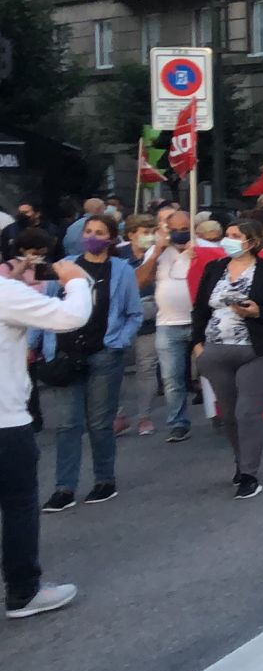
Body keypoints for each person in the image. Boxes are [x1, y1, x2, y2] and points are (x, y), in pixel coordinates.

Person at [2, 245, 92, 617]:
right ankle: (24, 591)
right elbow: (71, 317)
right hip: (5, 420)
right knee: (19, 505)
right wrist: (76, 281)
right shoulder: (5, 292)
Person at [37, 214, 143, 511]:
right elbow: (44, 307)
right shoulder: (63, 266)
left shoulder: (120, 270)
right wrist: (34, 345)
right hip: (65, 352)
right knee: (68, 424)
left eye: (99, 232)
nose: (92, 237)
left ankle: (104, 481)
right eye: (88, 231)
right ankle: (64, 488)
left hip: (104, 353)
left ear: (111, 239)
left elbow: (134, 313)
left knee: (99, 423)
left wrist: (119, 341)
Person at [190, 216, 263, 499]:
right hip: (215, 351)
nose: (229, 239)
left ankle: (249, 474)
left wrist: (257, 311)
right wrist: (198, 344)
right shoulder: (214, 269)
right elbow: (200, 308)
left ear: (252, 241)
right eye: (228, 234)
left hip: (258, 351)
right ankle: (241, 462)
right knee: (230, 416)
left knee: (247, 413)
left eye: (236, 235)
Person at [149, 211, 201, 443]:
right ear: (167, 230)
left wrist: (198, 255)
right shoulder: (157, 251)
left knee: (213, 373)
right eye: (176, 228)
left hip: (199, 321)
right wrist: (156, 253)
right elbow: (140, 281)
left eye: (185, 227)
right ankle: (178, 422)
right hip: (168, 324)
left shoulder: (202, 249)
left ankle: (221, 413)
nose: (180, 232)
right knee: (172, 378)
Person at [116, 214, 163, 438]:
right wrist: (153, 257)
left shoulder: (162, 252)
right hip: (121, 319)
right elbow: (135, 282)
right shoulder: (118, 254)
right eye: (145, 232)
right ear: (131, 234)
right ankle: (118, 415)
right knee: (116, 369)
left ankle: (144, 417)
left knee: (146, 368)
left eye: (152, 231)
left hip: (150, 319)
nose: (150, 236)